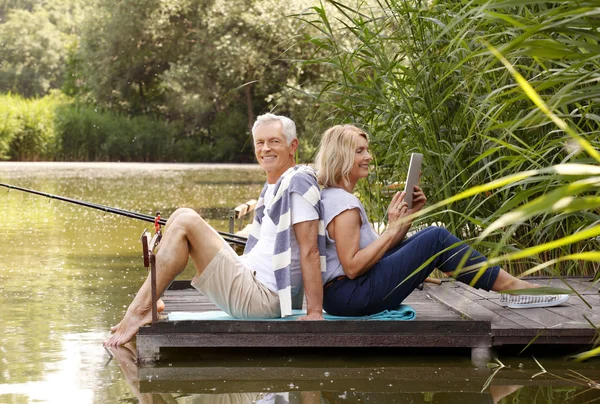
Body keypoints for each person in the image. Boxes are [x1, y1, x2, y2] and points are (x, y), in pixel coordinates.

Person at [105, 114, 326, 347]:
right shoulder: (276, 184)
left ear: (293, 146)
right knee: (180, 215)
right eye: (260, 143)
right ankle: (152, 300)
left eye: (274, 141)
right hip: (252, 280)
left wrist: (314, 313)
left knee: (186, 221)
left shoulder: (298, 182)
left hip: (265, 298)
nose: (265, 149)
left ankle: (139, 309)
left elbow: (310, 250)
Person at [314, 124, 569, 316]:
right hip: (351, 295)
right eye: (360, 151)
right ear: (341, 157)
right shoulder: (344, 205)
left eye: (367, 149)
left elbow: (373, 256)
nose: (368, 156)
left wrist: (405, 221)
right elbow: (353, 267)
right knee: (435, 238)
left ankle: (511, 285)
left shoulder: (338, 197)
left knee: (429, 237)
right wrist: (391, 230)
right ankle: (513, 287)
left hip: (347, 294)